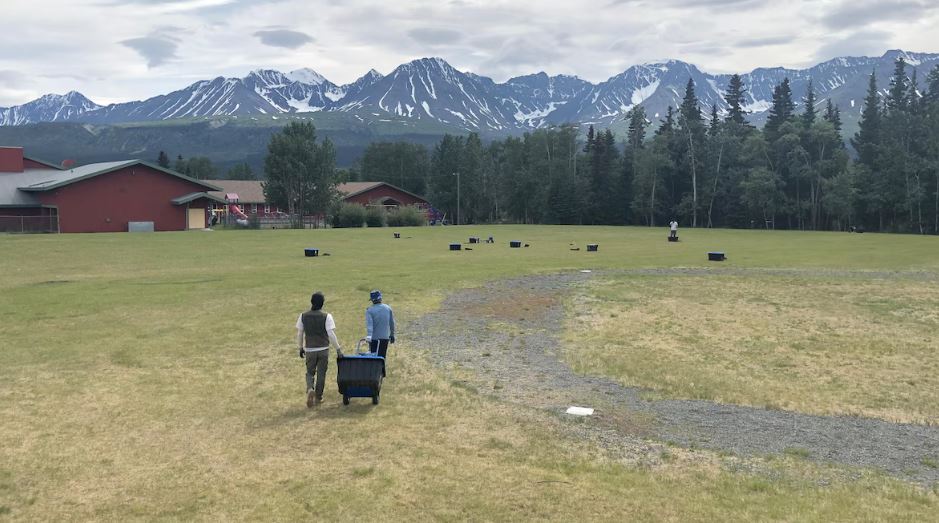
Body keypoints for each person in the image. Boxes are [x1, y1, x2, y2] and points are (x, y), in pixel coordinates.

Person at [296, 291, 343, 408]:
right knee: (321, 374)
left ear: (311, 302)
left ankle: (310, 388)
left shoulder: (303, 316)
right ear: (322, 304)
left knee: (310, 372)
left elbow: (300, 333)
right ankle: (318, 396)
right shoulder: (327, 316)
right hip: (323, 349)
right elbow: (331, 334)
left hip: (310, 349)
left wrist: (301, 347)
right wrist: (338, 349)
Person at [365, 290, 395, 358]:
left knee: (374, 358)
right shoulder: (388, 308)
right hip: (385, 338)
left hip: (374, 339)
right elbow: (392, 323)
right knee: (382, 358)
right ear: (380, 298)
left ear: (372, 300)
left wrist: (369, 336)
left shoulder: (369, 310)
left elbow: (369, 326)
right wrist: (392, 335)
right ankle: (382, 368)